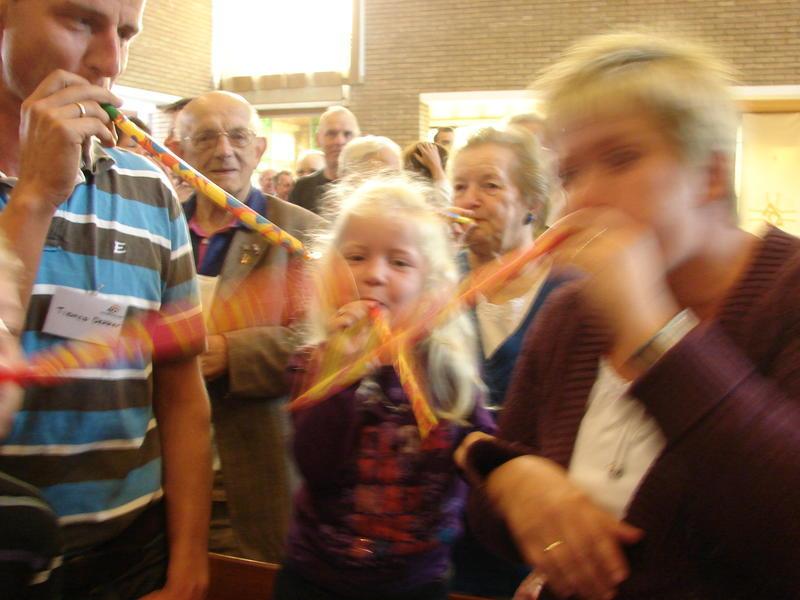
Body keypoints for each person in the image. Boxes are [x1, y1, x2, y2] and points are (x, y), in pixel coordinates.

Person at [458, 32, 800, 599]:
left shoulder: (788, 297)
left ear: (711, 175)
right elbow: (492, 522)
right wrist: (510, 480)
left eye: (621, 158)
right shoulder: (572, 313)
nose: (581, 200)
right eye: (569, 174)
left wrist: (652, 331)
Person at [0, 2, 211, 598]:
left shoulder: (149, 190)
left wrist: (189, 559)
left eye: (125, 33)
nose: (110, 61)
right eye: (80, 21)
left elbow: (179, 385)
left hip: (129, 555)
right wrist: (36, 195)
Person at [275, 174, 495, 600]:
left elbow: (480, 448)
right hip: (315, 579)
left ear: (429, 283)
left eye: (399, 262)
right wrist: (341, 375)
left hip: (417, 583)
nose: (374, 275)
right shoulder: (314, 363)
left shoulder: (443, 366)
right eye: (356, 257)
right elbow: (315, 465)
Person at [177, 90, 324, 562]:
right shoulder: (157, 228)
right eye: (205, 137)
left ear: (259, 149)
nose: (224, 150)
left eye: (238, 136)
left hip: (257, 472)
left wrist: (231, 353)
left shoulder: (300, 234)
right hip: (162, 475)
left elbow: (330, 340)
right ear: (179, 151)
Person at [448, 127, 570, 599]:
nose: (469, 199)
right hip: (443, 535)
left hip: (531, 538)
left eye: (490, 185)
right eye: (459, 186)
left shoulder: (569, 291)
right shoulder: (433, 284)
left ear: (532, 201)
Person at [289, 106, 360, 214]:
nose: (339, 141)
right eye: (331, 134)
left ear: (357, 139)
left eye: (347, 134)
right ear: (318, 139)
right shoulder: (302, 188)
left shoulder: (367, 188)